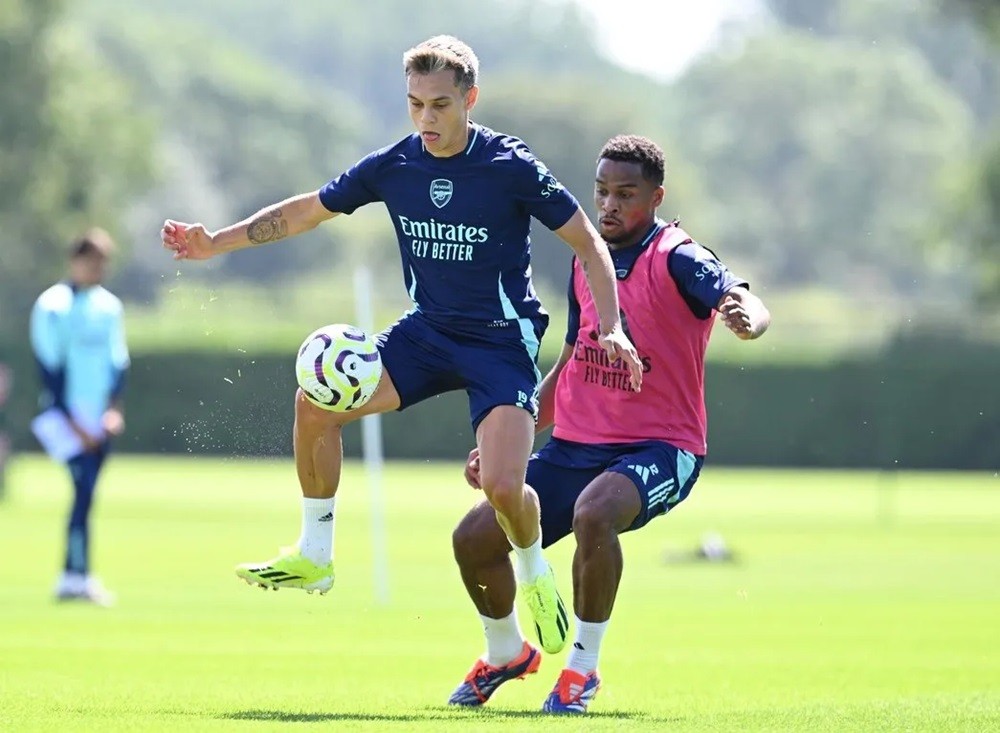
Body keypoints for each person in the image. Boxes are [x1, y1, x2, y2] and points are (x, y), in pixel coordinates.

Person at [160, 35, 642, 655]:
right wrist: (213, 243)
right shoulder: (397, 164)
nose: (426, 119)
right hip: (428, 331)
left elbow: (589, 243)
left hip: (500, 342)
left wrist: (612, 325)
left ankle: (531, 565)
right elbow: (310, 210)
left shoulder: (510, 166)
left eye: (440, 105)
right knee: (316, 405)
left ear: (471, 99)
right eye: (415, 104)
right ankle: (316, 552)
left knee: (500, 487)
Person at [448, 135, 770, 713]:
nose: (610, 205)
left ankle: (582, 670)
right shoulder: (587, 260)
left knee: (594, 512)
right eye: (602, 192)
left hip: (661, 448)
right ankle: (505, 653)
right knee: (472, 540)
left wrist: (750, 318)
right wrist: (515, 434)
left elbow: (737, 293)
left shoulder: (677, 256)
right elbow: (572, 361)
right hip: (575, 447)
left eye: (626, 194)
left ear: (656, 196)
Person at [30, 228, 130, 606]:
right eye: (91, 261)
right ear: (75, 261)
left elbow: (118, 363)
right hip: (63, 420)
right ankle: (75, 577)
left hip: (99, 421)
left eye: (103, 262)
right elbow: (49, 370)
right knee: (83, 491)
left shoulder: (109, 306)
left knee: (85, 497)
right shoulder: (52, 305)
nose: (97, 268)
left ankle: (74, 576)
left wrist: (112, 412)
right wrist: (76, 425)